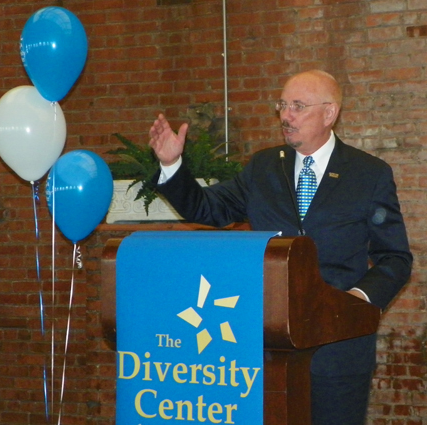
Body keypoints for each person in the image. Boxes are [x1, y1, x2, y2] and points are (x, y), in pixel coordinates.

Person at [148, 69, 412, 425]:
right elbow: (206, 208)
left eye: (298, 106)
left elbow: (394, 258)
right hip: (267, 351)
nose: (286, 116)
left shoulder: (368, 174)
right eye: (283, 105)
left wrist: (357, 302)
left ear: (330, 113)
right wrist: (170, 165)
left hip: (339, 350)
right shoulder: (264, 167)